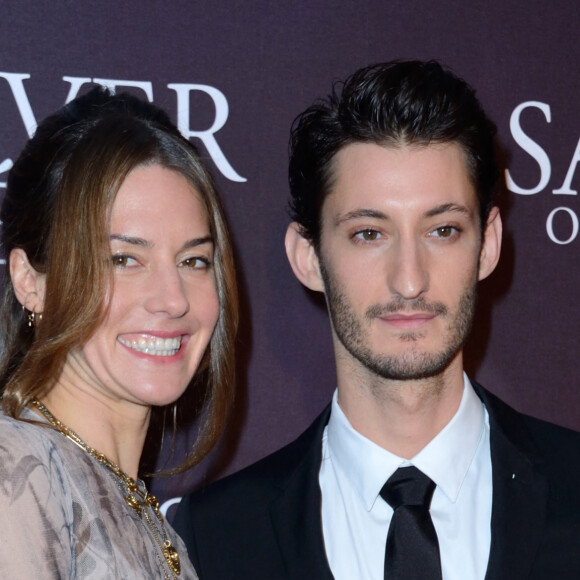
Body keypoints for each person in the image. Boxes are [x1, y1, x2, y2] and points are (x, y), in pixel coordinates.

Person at [173, 60, 580, 579]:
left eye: (444, 230)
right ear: (309, 257)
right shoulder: (217, 537)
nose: (409, 281)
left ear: (489, 243)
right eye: (369, 233)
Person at [0, 87, 237, 578]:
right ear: (30, 281)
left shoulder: (157, 528)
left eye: (194, 261)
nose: (173, 299)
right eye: (124, 259)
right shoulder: (16, 476)